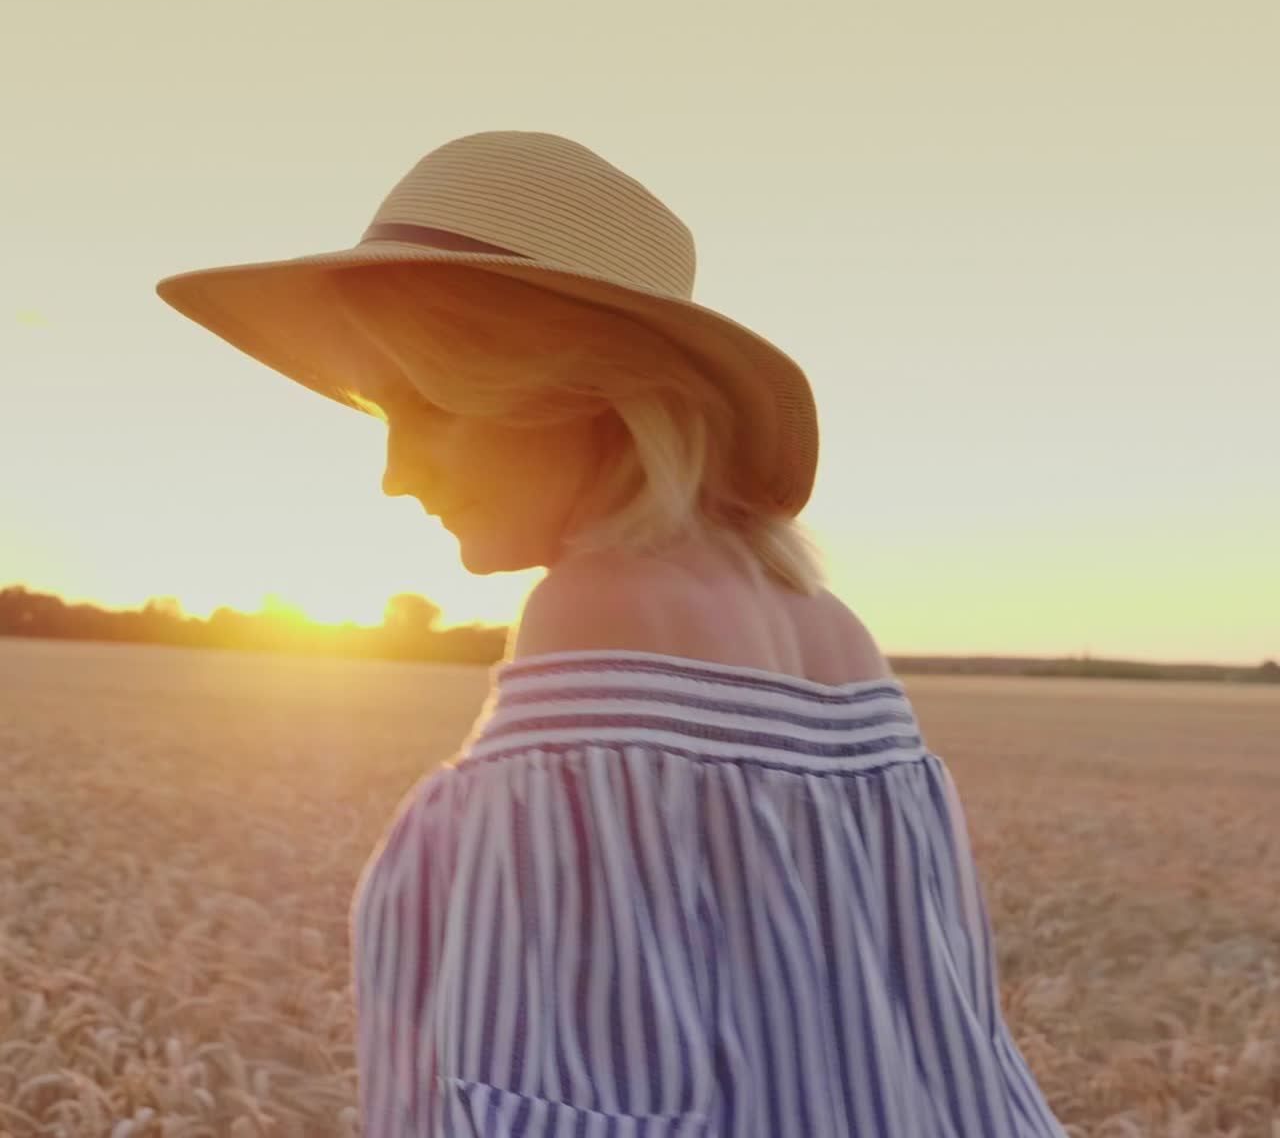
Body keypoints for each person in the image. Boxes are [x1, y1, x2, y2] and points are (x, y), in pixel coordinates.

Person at [155, 130, 1066, 1137]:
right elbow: (944, 1049)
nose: (394, 473)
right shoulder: (831, 631)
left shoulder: (599, 611)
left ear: (587, 391)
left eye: (426, 406)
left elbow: (574, 1102)